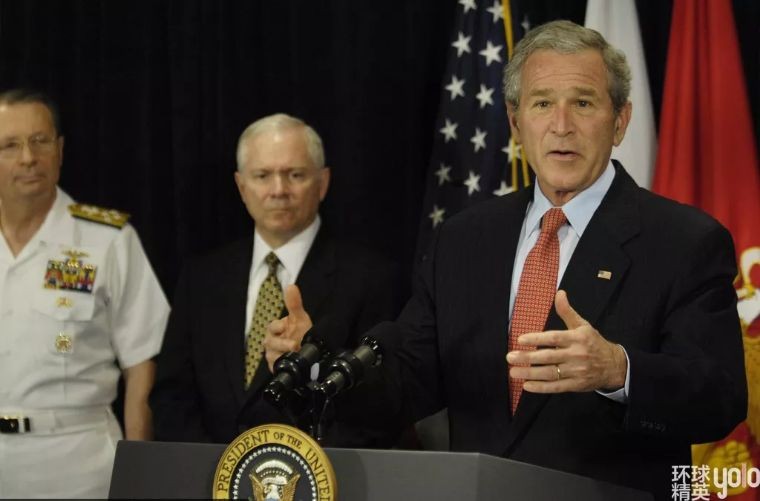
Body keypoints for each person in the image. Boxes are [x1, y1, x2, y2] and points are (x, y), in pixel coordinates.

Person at [270, 21, 747, 500]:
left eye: (583, 103)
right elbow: (408, 381)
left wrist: (618, 371)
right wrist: (315, 368)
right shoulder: (464, 239)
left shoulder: (683, 241)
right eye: (542, 104)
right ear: (516, 124)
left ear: (620, 121)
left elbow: (720, 399)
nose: (561, 125)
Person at [150, 113, 400, 446]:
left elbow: (383, 405)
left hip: (318, 471)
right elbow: (172, 396)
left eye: (295, 175)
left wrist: (314, 364)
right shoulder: (202, 278)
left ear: (323, 183)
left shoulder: (370, 278)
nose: (278, 190)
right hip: (210, 471)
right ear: (242, 186)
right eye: (262, 175)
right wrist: (218, 469)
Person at [0, 89, 170, 498]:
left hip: (77, 463)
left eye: (39, 141)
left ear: (60, 151)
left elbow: (141, 363)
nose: (28, 157)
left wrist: (137, 472)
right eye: (10, 145)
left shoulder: (106, 240)